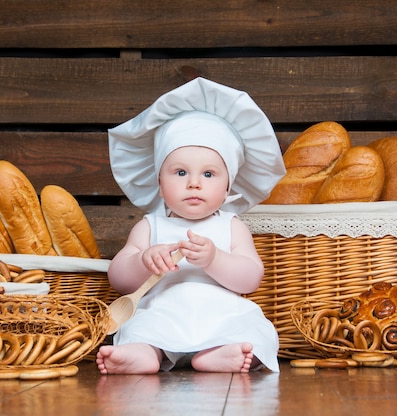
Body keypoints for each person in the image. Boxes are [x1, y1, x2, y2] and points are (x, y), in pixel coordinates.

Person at [97, 77, 286, 374]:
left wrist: (215, 259)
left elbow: (251, 278)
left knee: (254, 326)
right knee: (139, 325)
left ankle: (216, 354)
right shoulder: (150, 226)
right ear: (159, 184)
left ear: (227, 188)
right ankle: (145, 354)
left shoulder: (231, 226)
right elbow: (118, 278)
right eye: (181, 171)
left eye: (209, 174)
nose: (194, 183)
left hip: (223, 315)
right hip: (163, 313)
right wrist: (143, 260)